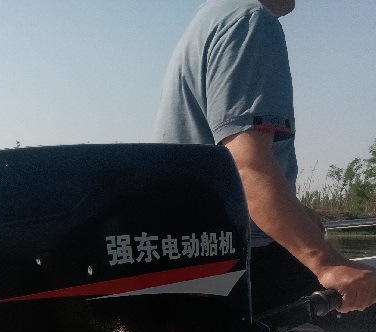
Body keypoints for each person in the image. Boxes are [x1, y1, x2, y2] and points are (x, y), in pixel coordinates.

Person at [153, 0, 376, 315]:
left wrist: (295, 213)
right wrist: (329, 264)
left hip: (194, 259)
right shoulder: (251, 22)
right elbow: (247, 167)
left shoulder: (213, 17)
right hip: (240, 263)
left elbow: (216, 161)